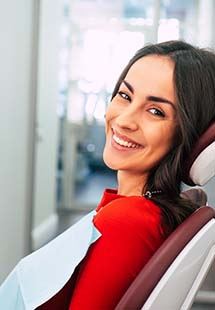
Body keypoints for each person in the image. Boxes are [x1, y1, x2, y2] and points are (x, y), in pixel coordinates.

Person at [0, 40, 215, 310]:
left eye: (155, 111)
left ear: (187, 133)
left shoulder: (128, 222)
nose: (124, 119)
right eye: (125, 96)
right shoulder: (143, 211)